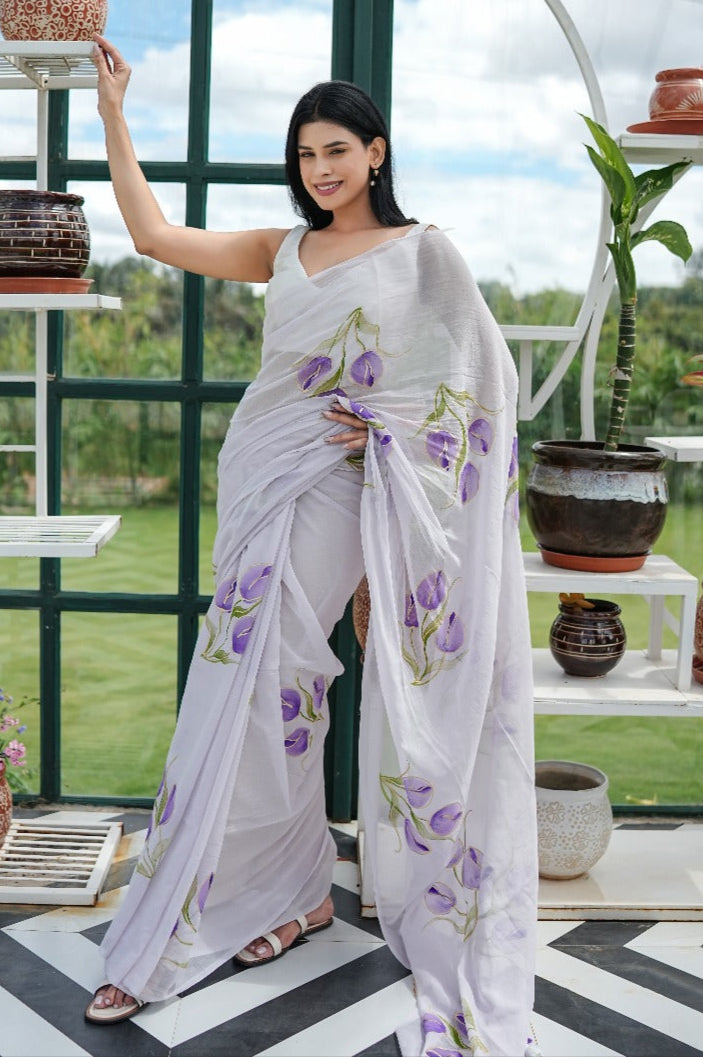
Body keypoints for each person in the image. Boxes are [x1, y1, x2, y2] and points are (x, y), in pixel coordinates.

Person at [85, 34, 539, 1057]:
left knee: (265, 689)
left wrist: (387, 432)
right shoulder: (280, 249)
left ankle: (208, 913)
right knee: (266, 691)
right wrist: (114, 115)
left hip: (338, 491)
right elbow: (153, 237)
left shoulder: (424, 254)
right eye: (305, 154)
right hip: (259, 477)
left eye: (336, 149)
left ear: (375, 152)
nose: (320, 169)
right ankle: (293, 893)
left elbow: (480, 391)